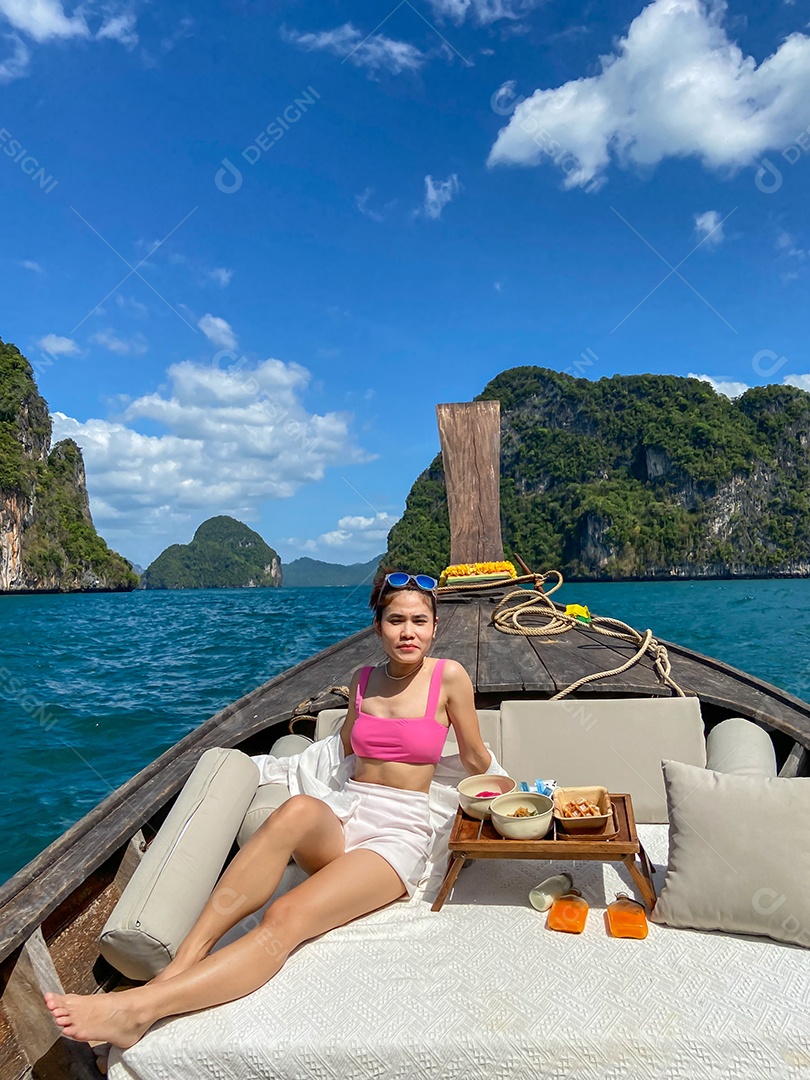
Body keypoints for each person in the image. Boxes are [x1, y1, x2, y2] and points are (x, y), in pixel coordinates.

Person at [45, 571, 494, 1050]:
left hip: (397, 834)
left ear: (435, 627)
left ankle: (140, 1010)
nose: (408, 632)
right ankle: (179, 965)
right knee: (296, 809)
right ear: (378, 626)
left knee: (284, 915)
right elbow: (342, 752)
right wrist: (286, 768)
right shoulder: (362, 680)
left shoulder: (448, 677)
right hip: (348, 811)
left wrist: (509, 786)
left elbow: (473, 757)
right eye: (396, 620)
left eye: (419, 621)